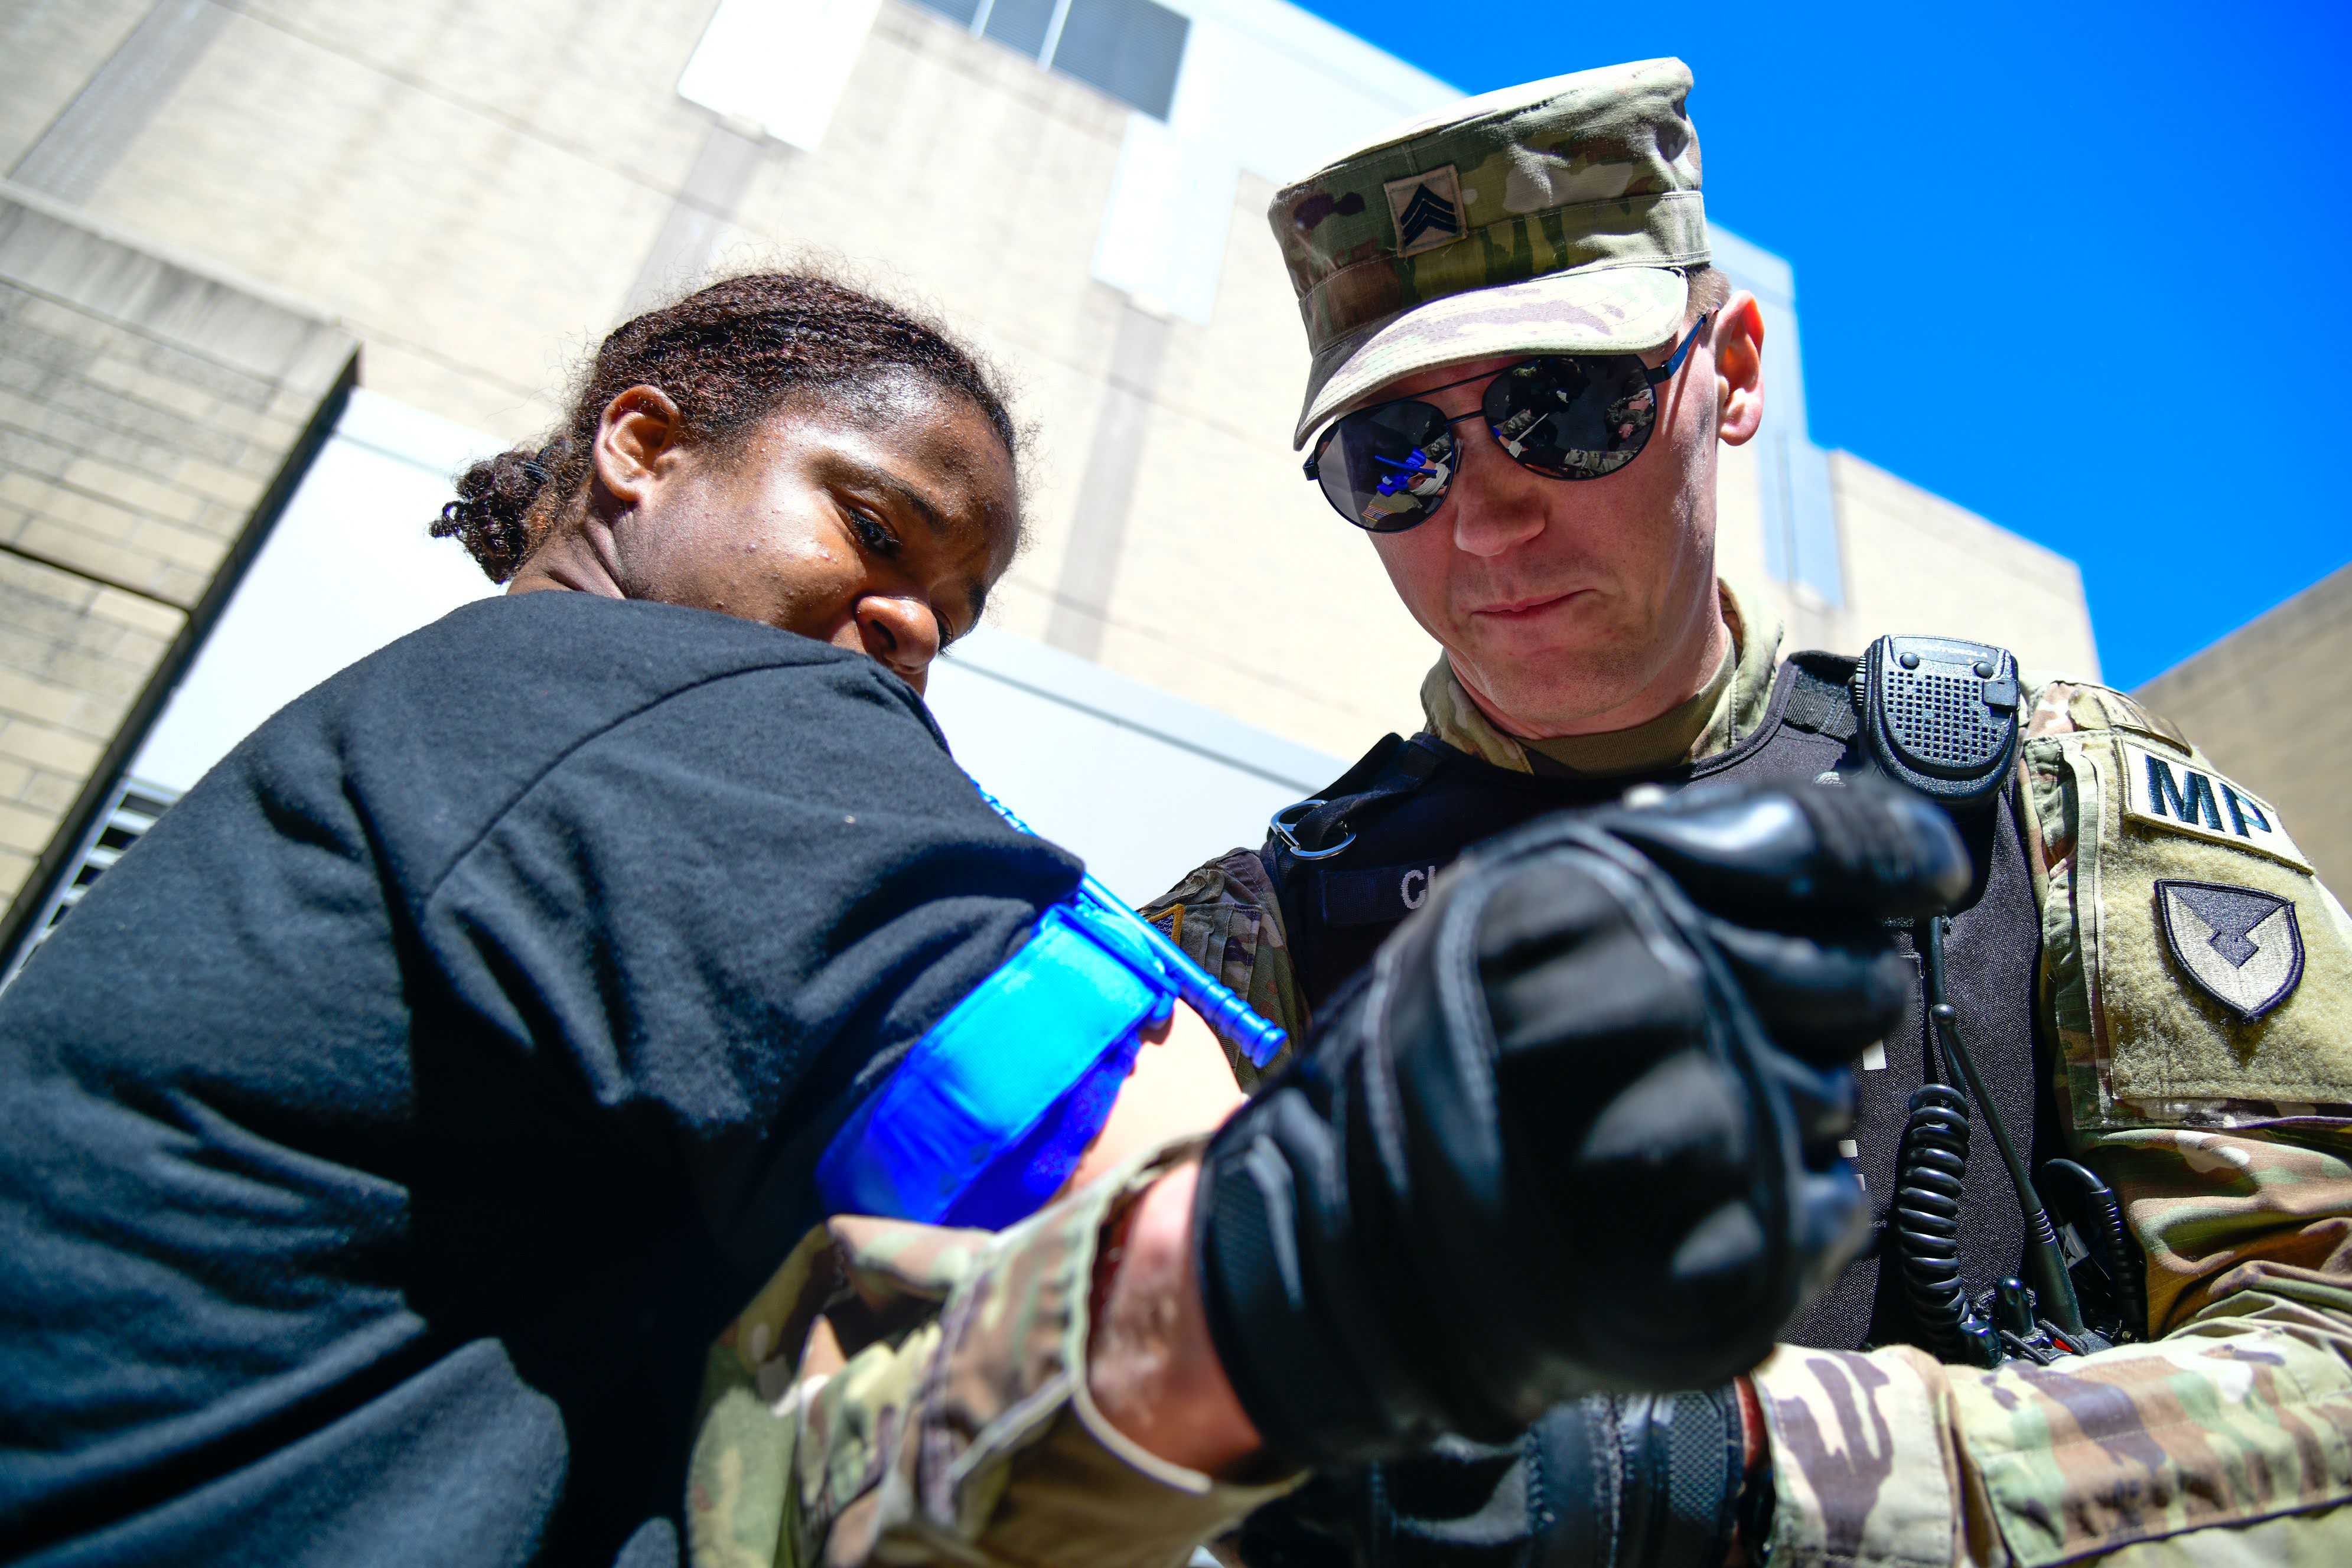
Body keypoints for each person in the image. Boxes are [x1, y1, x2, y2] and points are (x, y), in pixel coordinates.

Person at [0, 272, 1956, 1566]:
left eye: (955, 603)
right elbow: (1148, 1182)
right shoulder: (647, 695)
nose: (908, 626)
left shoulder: (432, 741)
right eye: (874, 528)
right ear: (642, 448)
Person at [1129, 57, 2352, 1568]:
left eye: (1562, 405)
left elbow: (2326, 1340)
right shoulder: (1243, 943)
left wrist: (1757, 1473)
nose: (1486, 516)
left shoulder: (2044, 804)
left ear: (1734, 370)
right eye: (1395, 457)